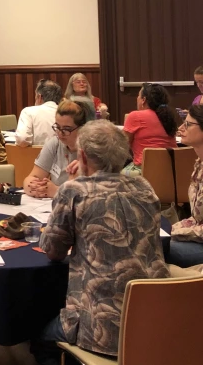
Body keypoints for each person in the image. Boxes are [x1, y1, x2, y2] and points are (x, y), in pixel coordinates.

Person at [32, 120, 169, 365]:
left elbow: (52, 251)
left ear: (82, 156)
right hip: (155, 321)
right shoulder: (144, 186)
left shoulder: (74, 191)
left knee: (39, 337)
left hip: (102, 327)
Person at [23, 100, 91, 198]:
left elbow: (92, 191)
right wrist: (33, 187)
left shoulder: (91, 149)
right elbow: (32, 177)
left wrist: (57, 191)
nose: (60, 133)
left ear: (82, 128)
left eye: (66, 129)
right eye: (58, 127)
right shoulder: (54, 144)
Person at [169, 105, 203, 267]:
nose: (181, 128)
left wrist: (176, 232)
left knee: (157, 248)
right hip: (198, 238)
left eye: (188, 124)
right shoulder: (199, 163)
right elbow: (197, 219)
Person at [122, 83, 178, 175]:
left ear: (143, 100)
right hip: (172, 170)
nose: (137, 98)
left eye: (138, 96)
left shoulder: (135, 116)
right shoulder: (169, 117)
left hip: (144, 170)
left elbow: (123, 145)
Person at [15, 80, 62, 147]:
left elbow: (22, 139)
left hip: (33, 156)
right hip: (62, 156)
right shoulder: (67, 113)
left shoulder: (28, 112)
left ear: (39, 97)